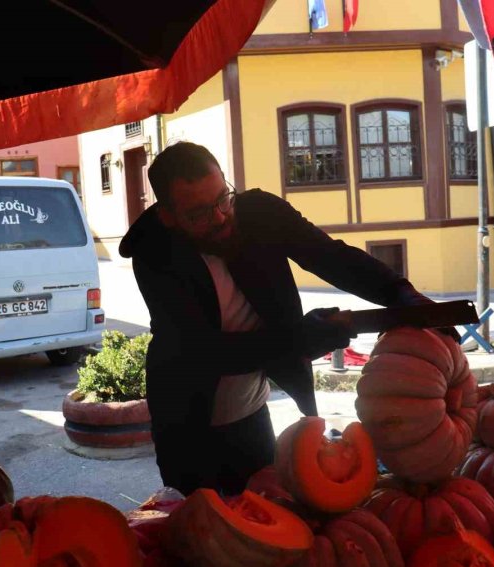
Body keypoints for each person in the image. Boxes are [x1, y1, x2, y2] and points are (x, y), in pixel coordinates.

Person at [119, 142, 442, 496]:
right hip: (184, 424)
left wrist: (401, 293)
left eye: (223, 199)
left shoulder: (260, 213)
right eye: (199, 214)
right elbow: (204, 351)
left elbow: (331, 257)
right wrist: (300, 338)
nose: (220, 217)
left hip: (250, 412)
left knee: (265, 504)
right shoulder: (154, 255)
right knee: (196, 517)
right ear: (168, 216)